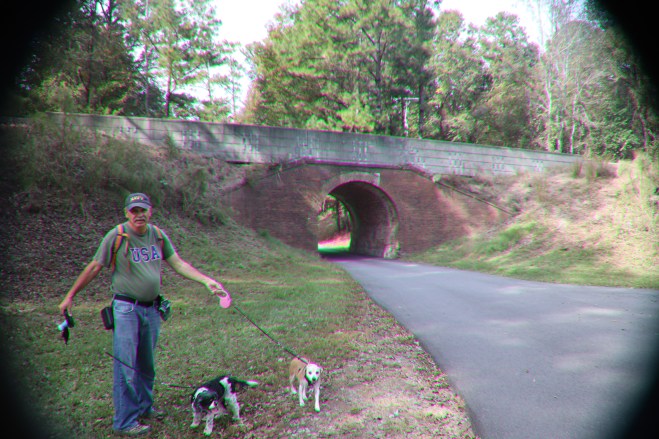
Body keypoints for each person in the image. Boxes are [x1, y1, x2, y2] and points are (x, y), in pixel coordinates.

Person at [58, 192, 230, 436]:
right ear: (126, 213)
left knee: (146, 365)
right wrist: (70, 295)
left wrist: (206, 281)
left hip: (151, 309)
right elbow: (95, 266)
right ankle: (125, 421)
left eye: (143, 210)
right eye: (134, 211)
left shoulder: (157, 235)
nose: (139, 215)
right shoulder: (117, 236)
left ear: (150, 211)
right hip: (126, 309)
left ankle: (144, 407)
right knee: (126, 366)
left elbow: (178, 263)